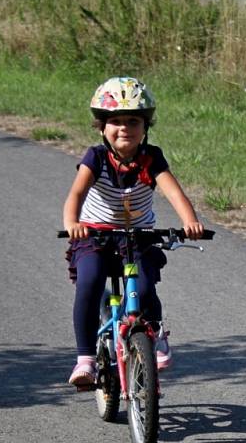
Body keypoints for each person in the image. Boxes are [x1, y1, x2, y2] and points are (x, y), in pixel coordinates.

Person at [63, 76, 204, 388]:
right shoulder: (95, 158)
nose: (124, 127)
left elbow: (174, 193)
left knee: (143, 286)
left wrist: (190, 221)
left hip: (137, 237)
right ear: (101, 127)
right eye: (115, 121)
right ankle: (85, 358)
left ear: (145, 126)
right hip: (94, 237)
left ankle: (154, 335)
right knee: (89, 281)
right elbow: (76, 195)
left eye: (133, 121)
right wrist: (73, 223)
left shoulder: (151, 158)